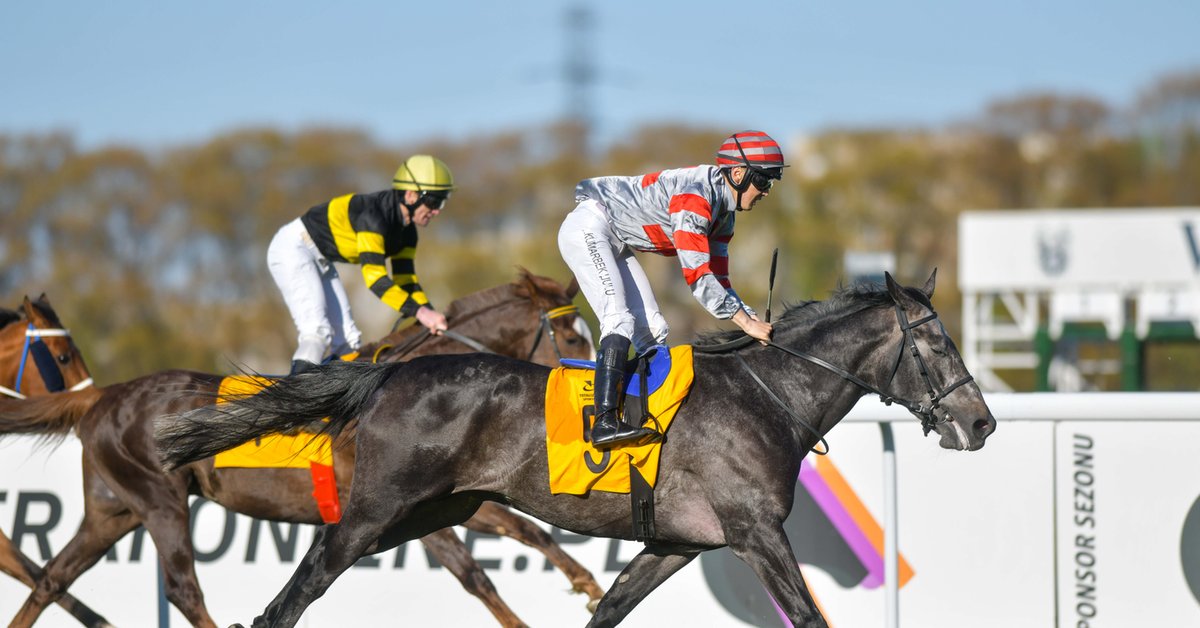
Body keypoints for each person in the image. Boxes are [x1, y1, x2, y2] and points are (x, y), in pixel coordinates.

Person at [558, 130, 784, 448]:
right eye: (763, 181)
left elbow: (719, 280)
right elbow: (698, 278)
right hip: (588, 228)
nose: (766, 191)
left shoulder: (725, 217)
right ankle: (604, 422)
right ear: (738, 173)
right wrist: (745, 323)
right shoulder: (696, 198)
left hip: (615, 238)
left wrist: (751, 318)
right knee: (618, 319)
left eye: (771, 183)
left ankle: (643, 411)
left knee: (654, 330)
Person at [268, 155, 454, 375]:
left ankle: (333, 401)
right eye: (434, 202)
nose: (437, 210)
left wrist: (431, 314)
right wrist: (420, 313)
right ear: (411, 195)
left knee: (349, 340)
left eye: (442, 202)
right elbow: (375, 279)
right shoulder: (374, 217)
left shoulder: (408, 233)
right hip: (293, 248)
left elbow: (406, 281)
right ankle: (292, 402)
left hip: (320, 258)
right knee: (317, 332)